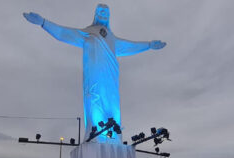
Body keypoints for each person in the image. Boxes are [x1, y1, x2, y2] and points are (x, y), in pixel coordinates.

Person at [23, 4, 166, 144]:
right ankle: (96, 134)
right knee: (95, 102)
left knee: (112, 107)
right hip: (94, 77)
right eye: (101, 12)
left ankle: (113, 136)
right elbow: (63, 33)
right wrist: (43, 23)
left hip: (111, 78)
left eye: (106, 13)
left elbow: (130, 46)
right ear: (95, 15)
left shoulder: (112, 38)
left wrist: (149, 45)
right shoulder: (88, 33)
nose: (103, 15)